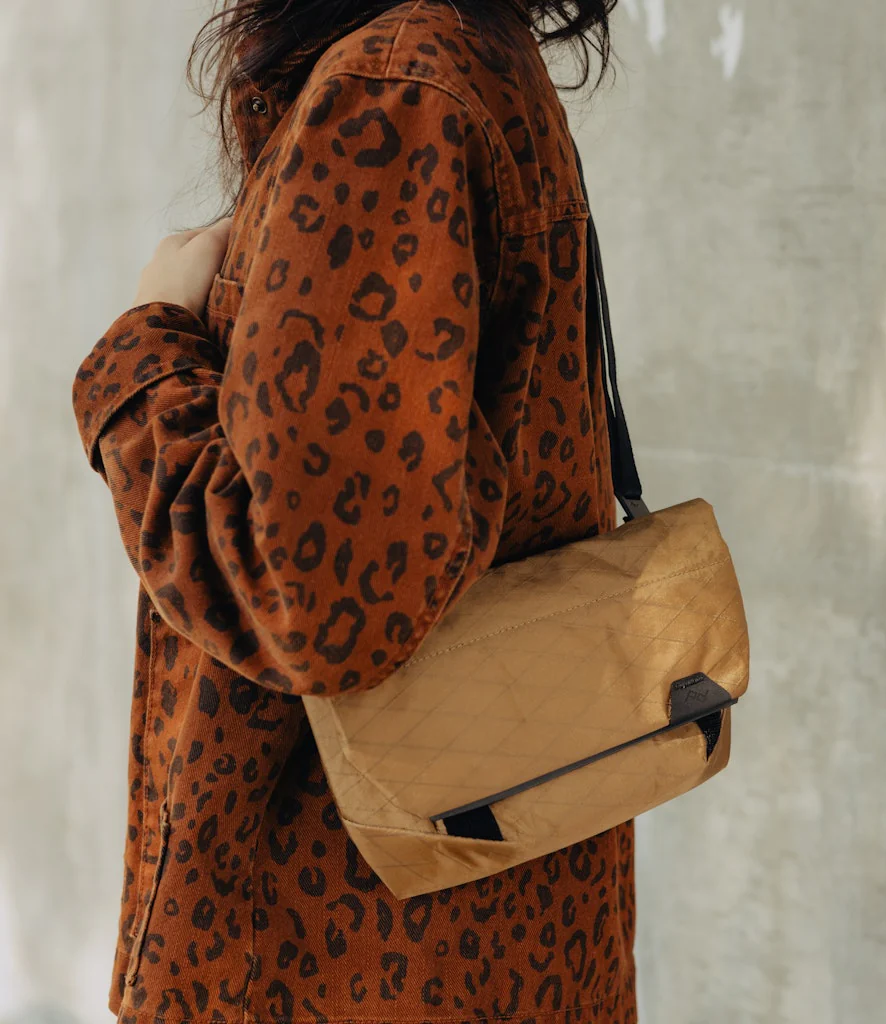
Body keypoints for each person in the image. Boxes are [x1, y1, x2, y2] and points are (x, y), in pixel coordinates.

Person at [70, 1, 636, 1021]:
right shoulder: (461, 55)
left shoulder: (394, 91)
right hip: (476, 922)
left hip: (338, 945)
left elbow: (308, 599)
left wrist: (145, 351)